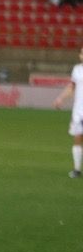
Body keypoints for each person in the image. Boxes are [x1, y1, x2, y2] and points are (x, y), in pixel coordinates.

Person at [50, 45, 83, 178]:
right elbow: (72, 87)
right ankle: (76, 169)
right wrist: (60, 99)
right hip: (79, 110)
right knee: (77, 137)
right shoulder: (77, 70)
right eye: (81, 53)